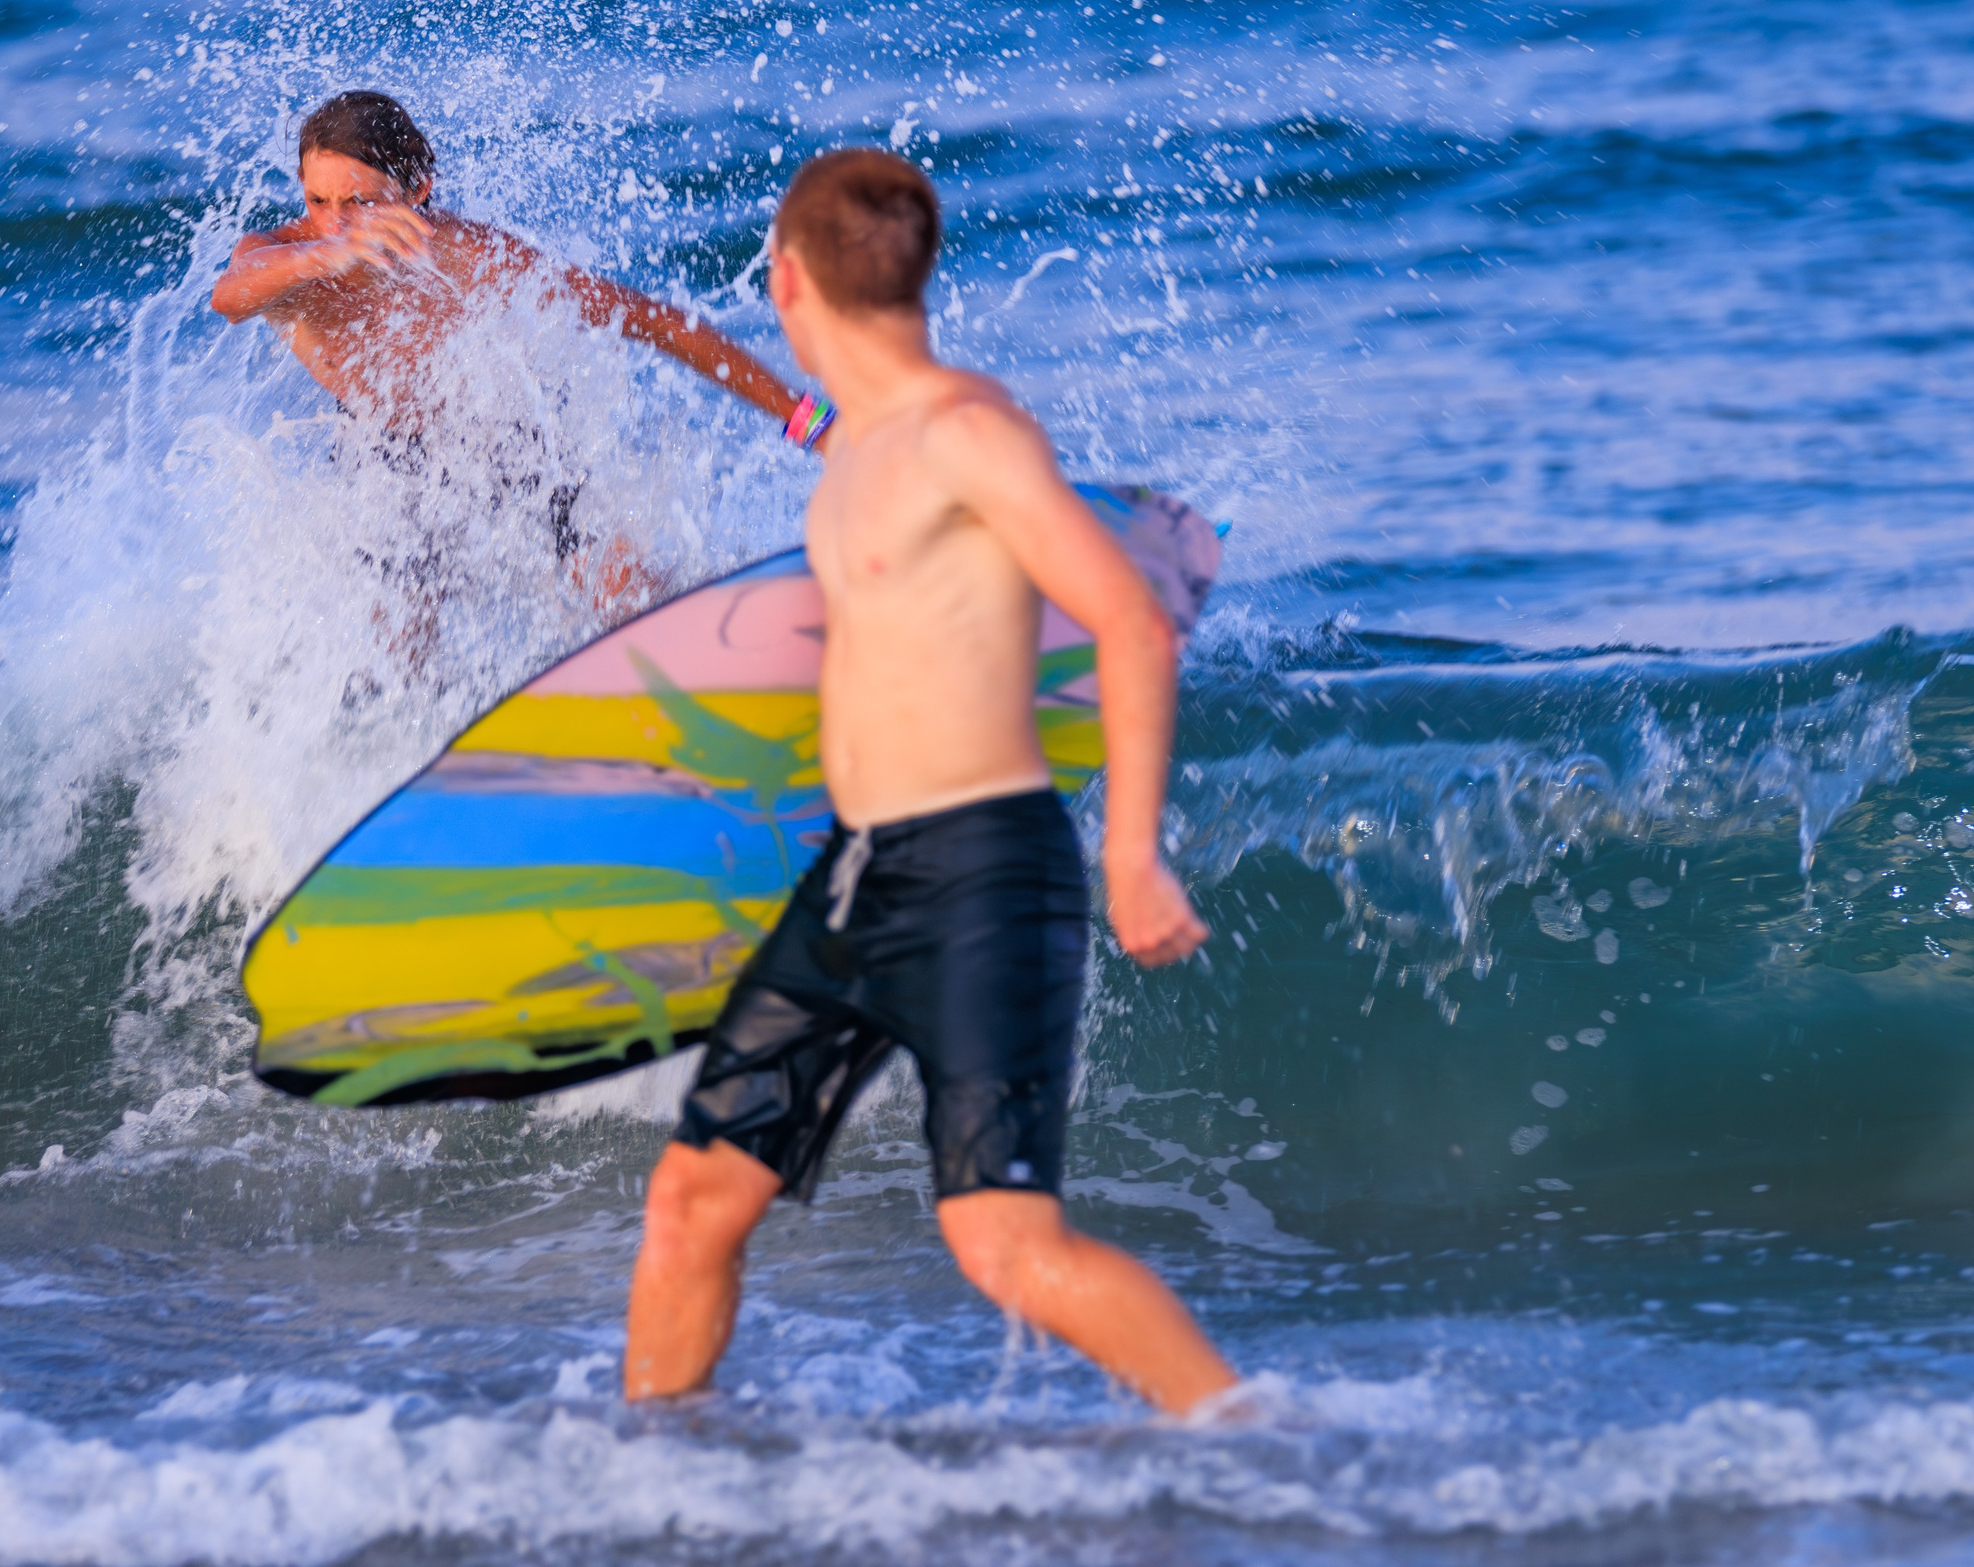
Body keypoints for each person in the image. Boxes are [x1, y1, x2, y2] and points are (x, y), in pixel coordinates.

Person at [622, 149, 1240, 1417]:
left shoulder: (969, 432)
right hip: (856, 875)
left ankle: (1257, 1438)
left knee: (1004, 1245)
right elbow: (806, 429)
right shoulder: (860, 447)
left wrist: (1130, 854)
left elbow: (1127, 615)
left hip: (979, 873)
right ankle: (638, 1476)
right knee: (693, 1198)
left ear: (784, 278)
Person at [210, 91, 797, 587]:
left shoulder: (465, 255)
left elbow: (654, 321)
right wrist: (331, 252)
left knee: (618, 588)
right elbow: (231, 295)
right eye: (318, 200)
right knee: (400, 654)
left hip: (494, 435)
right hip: (378, 455)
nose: (334, 222)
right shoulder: (288, 258)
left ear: (416, 191)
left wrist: (808, 420)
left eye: (359, 202)